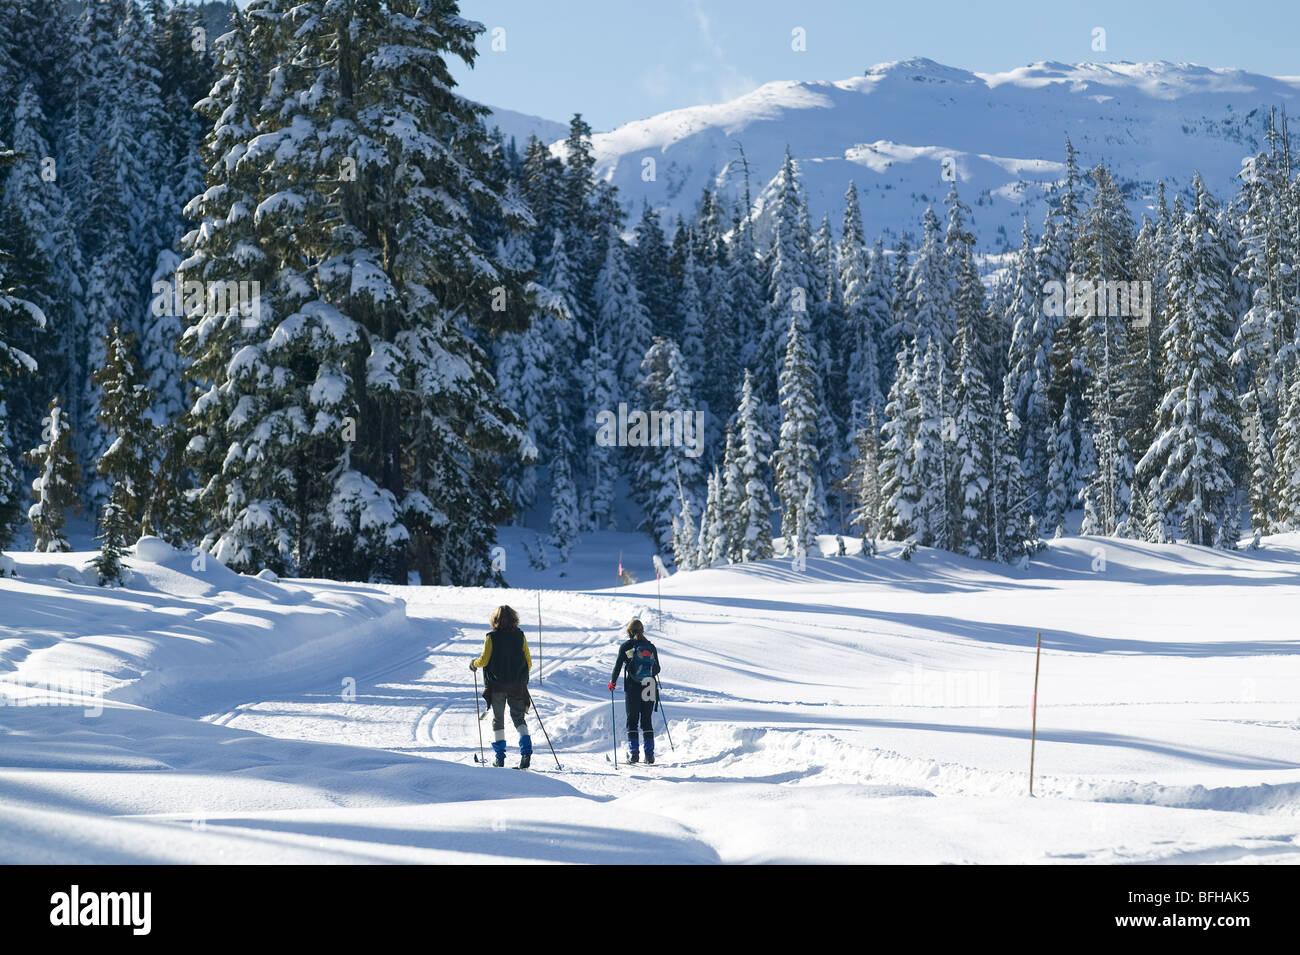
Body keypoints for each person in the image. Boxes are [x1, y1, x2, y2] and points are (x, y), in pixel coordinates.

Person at [470, 605, 533, 768]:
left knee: (498, 721)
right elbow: (528, 661)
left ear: (495, 620)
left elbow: (484, 660)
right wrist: (520, 677)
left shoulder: (492, 637)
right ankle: (526, 753)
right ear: (514, 618)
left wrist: (473, 664)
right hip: (517, 685)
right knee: (519, 718)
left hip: (497, 685)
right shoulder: (520, 635)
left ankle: (500, 758)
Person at [608, 618, 661, 765]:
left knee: (632, 721)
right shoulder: (650, 646)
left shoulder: (626, 646)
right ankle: (649, 756)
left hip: (633, 687)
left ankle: (634, 755)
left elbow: (618, 666)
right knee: (646, 721)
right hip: (649, 685)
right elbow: (657, 669)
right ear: (642, 630)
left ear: (629, 632)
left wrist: (612, 682)